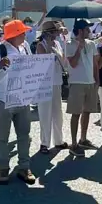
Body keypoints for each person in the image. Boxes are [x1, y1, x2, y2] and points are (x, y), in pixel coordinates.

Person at [0, 19, 37, 185]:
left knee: (24, 135)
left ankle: (24, 167)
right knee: (2, 137)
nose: (25, 34)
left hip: (22, 98)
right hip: (4, 99)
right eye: (22, 32)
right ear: (15, 34)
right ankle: (3, 169)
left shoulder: (25, 47)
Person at [65, 19, 100, 156]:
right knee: (76, 113)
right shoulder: (69, 44)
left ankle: (83, 139)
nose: (89, 31)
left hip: (90, 83)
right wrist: (78, 48)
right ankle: (73, 144)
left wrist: (97, 80)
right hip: (77, 83)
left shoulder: (91, 44)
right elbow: (72, 64)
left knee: (87, 112)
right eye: (86, 29)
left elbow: (95, 64)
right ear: (80, 31)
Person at [35, 20, 68, 153]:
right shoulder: (40, 45)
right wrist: (49, 46)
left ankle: (59, 140)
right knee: (45, 113)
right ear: (48, 33)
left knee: (57, 113)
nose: (57, 34)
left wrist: (61, 45)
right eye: (55, 31)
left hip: (56, 81)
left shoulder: (58, 44)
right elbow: (45, 61)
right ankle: (44, 143)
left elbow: (63, 61)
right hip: (44, 83)